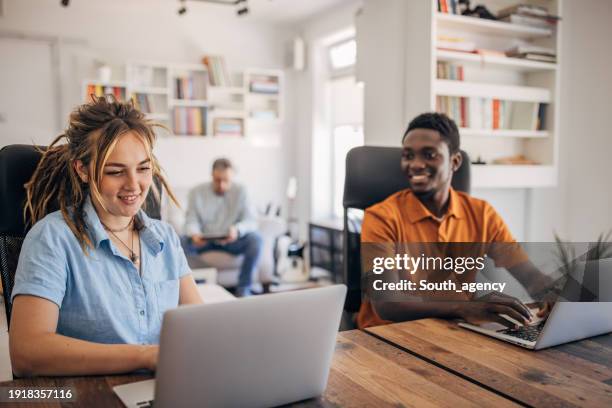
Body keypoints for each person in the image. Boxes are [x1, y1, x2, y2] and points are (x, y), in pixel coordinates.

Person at [9, 96, 202, 377]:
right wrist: (146, 356)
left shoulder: (165, 237)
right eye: (115, 171)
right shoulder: (52, 238)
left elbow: (199, 326)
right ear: (83, 170)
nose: (134, 185)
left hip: (164, 390)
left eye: (144, 168)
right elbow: (27, 352)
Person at [357, 112, 555, 329]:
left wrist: (558, 296)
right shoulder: (381, 217)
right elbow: (387, 304)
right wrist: (464, 307)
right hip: (388, 334)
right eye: (408, 155)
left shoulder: (482, 214)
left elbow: (530, 276)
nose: (415, 164)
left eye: (429, 155)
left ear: (455, 161)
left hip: (454, 329)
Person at [183, 158, 262, 297]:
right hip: (204, 241)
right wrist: (194, 234)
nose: (222, 185)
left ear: (232, 177)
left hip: (233, 240)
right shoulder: (196, 192)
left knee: (256, 240)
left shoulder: (242, 191)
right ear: (212, 175)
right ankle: (196, 287)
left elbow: (250, 221)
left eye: (226, 180)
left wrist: (237, 230)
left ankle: (244, 288)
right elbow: (191, 220)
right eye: (218, 180)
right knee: (180, 242)